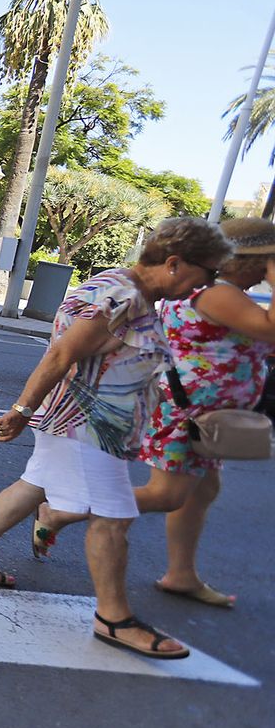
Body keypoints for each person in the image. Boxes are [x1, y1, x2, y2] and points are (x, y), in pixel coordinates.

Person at [0, 218, 229, 661]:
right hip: (87, 425)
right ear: (174, 262)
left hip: (85, 423)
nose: (207, 284)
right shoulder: (124, 295)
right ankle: (114, 618)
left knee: (33, 485)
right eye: (208, 273)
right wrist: (22, 409)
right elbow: (62, 352)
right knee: (112, 518)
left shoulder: (122, 287)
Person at [109, 217, 273, 609]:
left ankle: (181, 574)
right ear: (247, 261)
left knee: (202, 491)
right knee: (166, 493)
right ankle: (61, 510)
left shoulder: (222, 293)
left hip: (203, 415)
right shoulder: (218, 293)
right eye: (265, 262)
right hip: (187, 413)